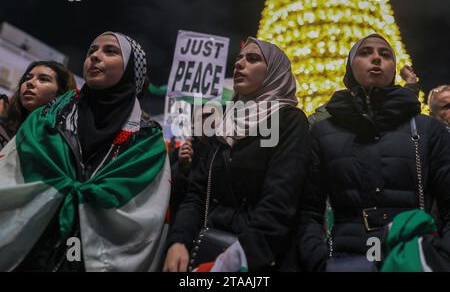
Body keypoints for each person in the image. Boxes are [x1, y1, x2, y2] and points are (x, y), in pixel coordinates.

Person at [0, 32, 171, 271]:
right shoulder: (50, 115)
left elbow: (146, 212)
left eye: (110, 51)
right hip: (33, 247)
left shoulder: (146, 139)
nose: (95, 57)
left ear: (132, 68)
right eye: (92, 51)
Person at [298, 33, 450, 272]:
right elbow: (308, 209)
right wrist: (317, 260)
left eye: (385, 54)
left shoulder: (428, 129)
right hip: (341, 260)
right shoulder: (323, 132)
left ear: (394, 67)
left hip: (413, 258)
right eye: (365, 53)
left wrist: (439, 256)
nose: (376, 58)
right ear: (351, 66)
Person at [163, 37, 310, 272]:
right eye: (239, 59)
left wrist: (235, 261)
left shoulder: (290, 121)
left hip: (262, 259)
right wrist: (179, 241)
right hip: (208, 249)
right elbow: (197, 194)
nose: (239, 64)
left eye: (252, 59)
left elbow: (280, 201)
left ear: (274, 72)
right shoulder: (221, 124)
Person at [0, 61, 75, 150]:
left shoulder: (61, 142)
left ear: (61, 93)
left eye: (43, 79)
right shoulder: (4, 114)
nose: (30, 82)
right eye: (27, 78)